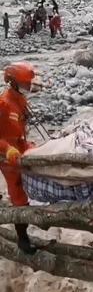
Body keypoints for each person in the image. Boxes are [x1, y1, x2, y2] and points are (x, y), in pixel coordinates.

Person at [0, 62, 43, 254]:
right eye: (25, 84)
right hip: (5, 154)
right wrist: (6, 148)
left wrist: (29, 147)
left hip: (17, 148)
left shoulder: (20, 101)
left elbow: (22, 130)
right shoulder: (3, 104)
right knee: (18, 194)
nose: (28, 87)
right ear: (14, 83)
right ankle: (23, 239)